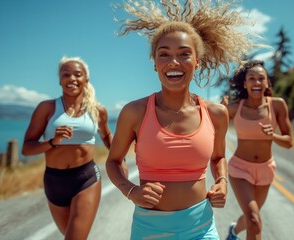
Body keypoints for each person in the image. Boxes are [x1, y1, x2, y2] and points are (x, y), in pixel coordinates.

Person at [105, 0, 258, 239]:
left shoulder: (215, 114)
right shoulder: (135, 111)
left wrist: (222, 181)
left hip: (201, 227)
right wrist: (131, 190)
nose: (173, 62)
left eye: (184, 54)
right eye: (164, 54)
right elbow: (113, 162)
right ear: (155, 63)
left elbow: (218, 157)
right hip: (150, 229)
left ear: (197, 61)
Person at [22, 56, 127, 240]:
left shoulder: (97, 110)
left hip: (86, 178)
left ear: (86, 80)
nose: (71, 78)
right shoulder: (46, 108)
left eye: (77, 74)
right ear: (60, 80)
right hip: (54, 180)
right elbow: (27, 148)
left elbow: (107, 136)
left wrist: (120, 160)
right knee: (71, 235)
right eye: (66, 74)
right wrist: (54, 141)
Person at [221, 60, 293, 240]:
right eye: (252, 78)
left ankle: (233, 232)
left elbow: (289, 141)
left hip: (265, 169)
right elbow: (210, 125)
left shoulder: (277, 105)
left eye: (261, 78)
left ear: (268, 83)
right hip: (240, 169)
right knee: (254, 219)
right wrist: (220, 110)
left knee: (251, 216)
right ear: (245, 84)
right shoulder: (235, 107)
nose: (257, 82)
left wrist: (273, 136)